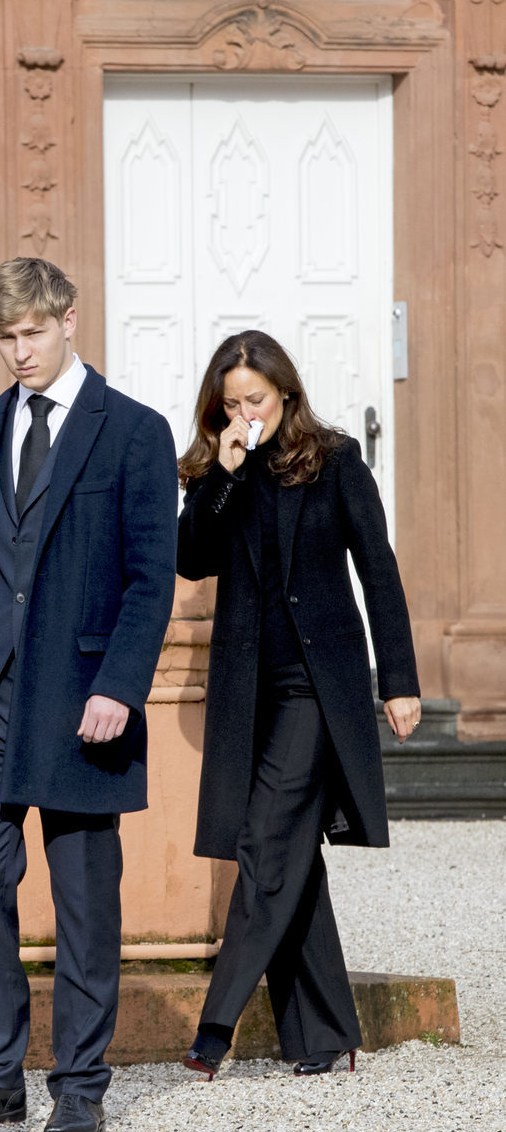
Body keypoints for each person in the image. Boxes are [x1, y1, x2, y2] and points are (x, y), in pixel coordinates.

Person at [0, 258, 177, 1132]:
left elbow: (151, 578)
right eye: (4, 338)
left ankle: (82, 1082)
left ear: (67, 318)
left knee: (86, 894)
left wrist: (120, 687)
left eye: (31, 332)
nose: (18, 351)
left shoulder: (135, 430)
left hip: (82, 698)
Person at [176, 329, 420, 1079]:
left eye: (256, 399)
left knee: (263, 841)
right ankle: (324, 1034)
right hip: (252, 689)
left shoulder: (338, 459)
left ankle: (216, 1023)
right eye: (232, 404)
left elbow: (378, 570)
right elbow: (192, 557)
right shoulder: (221, 470)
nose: (245, 413)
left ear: (286, 392)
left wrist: (399, 680)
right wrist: (222, 474)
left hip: (321, 688)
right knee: (289, 855)